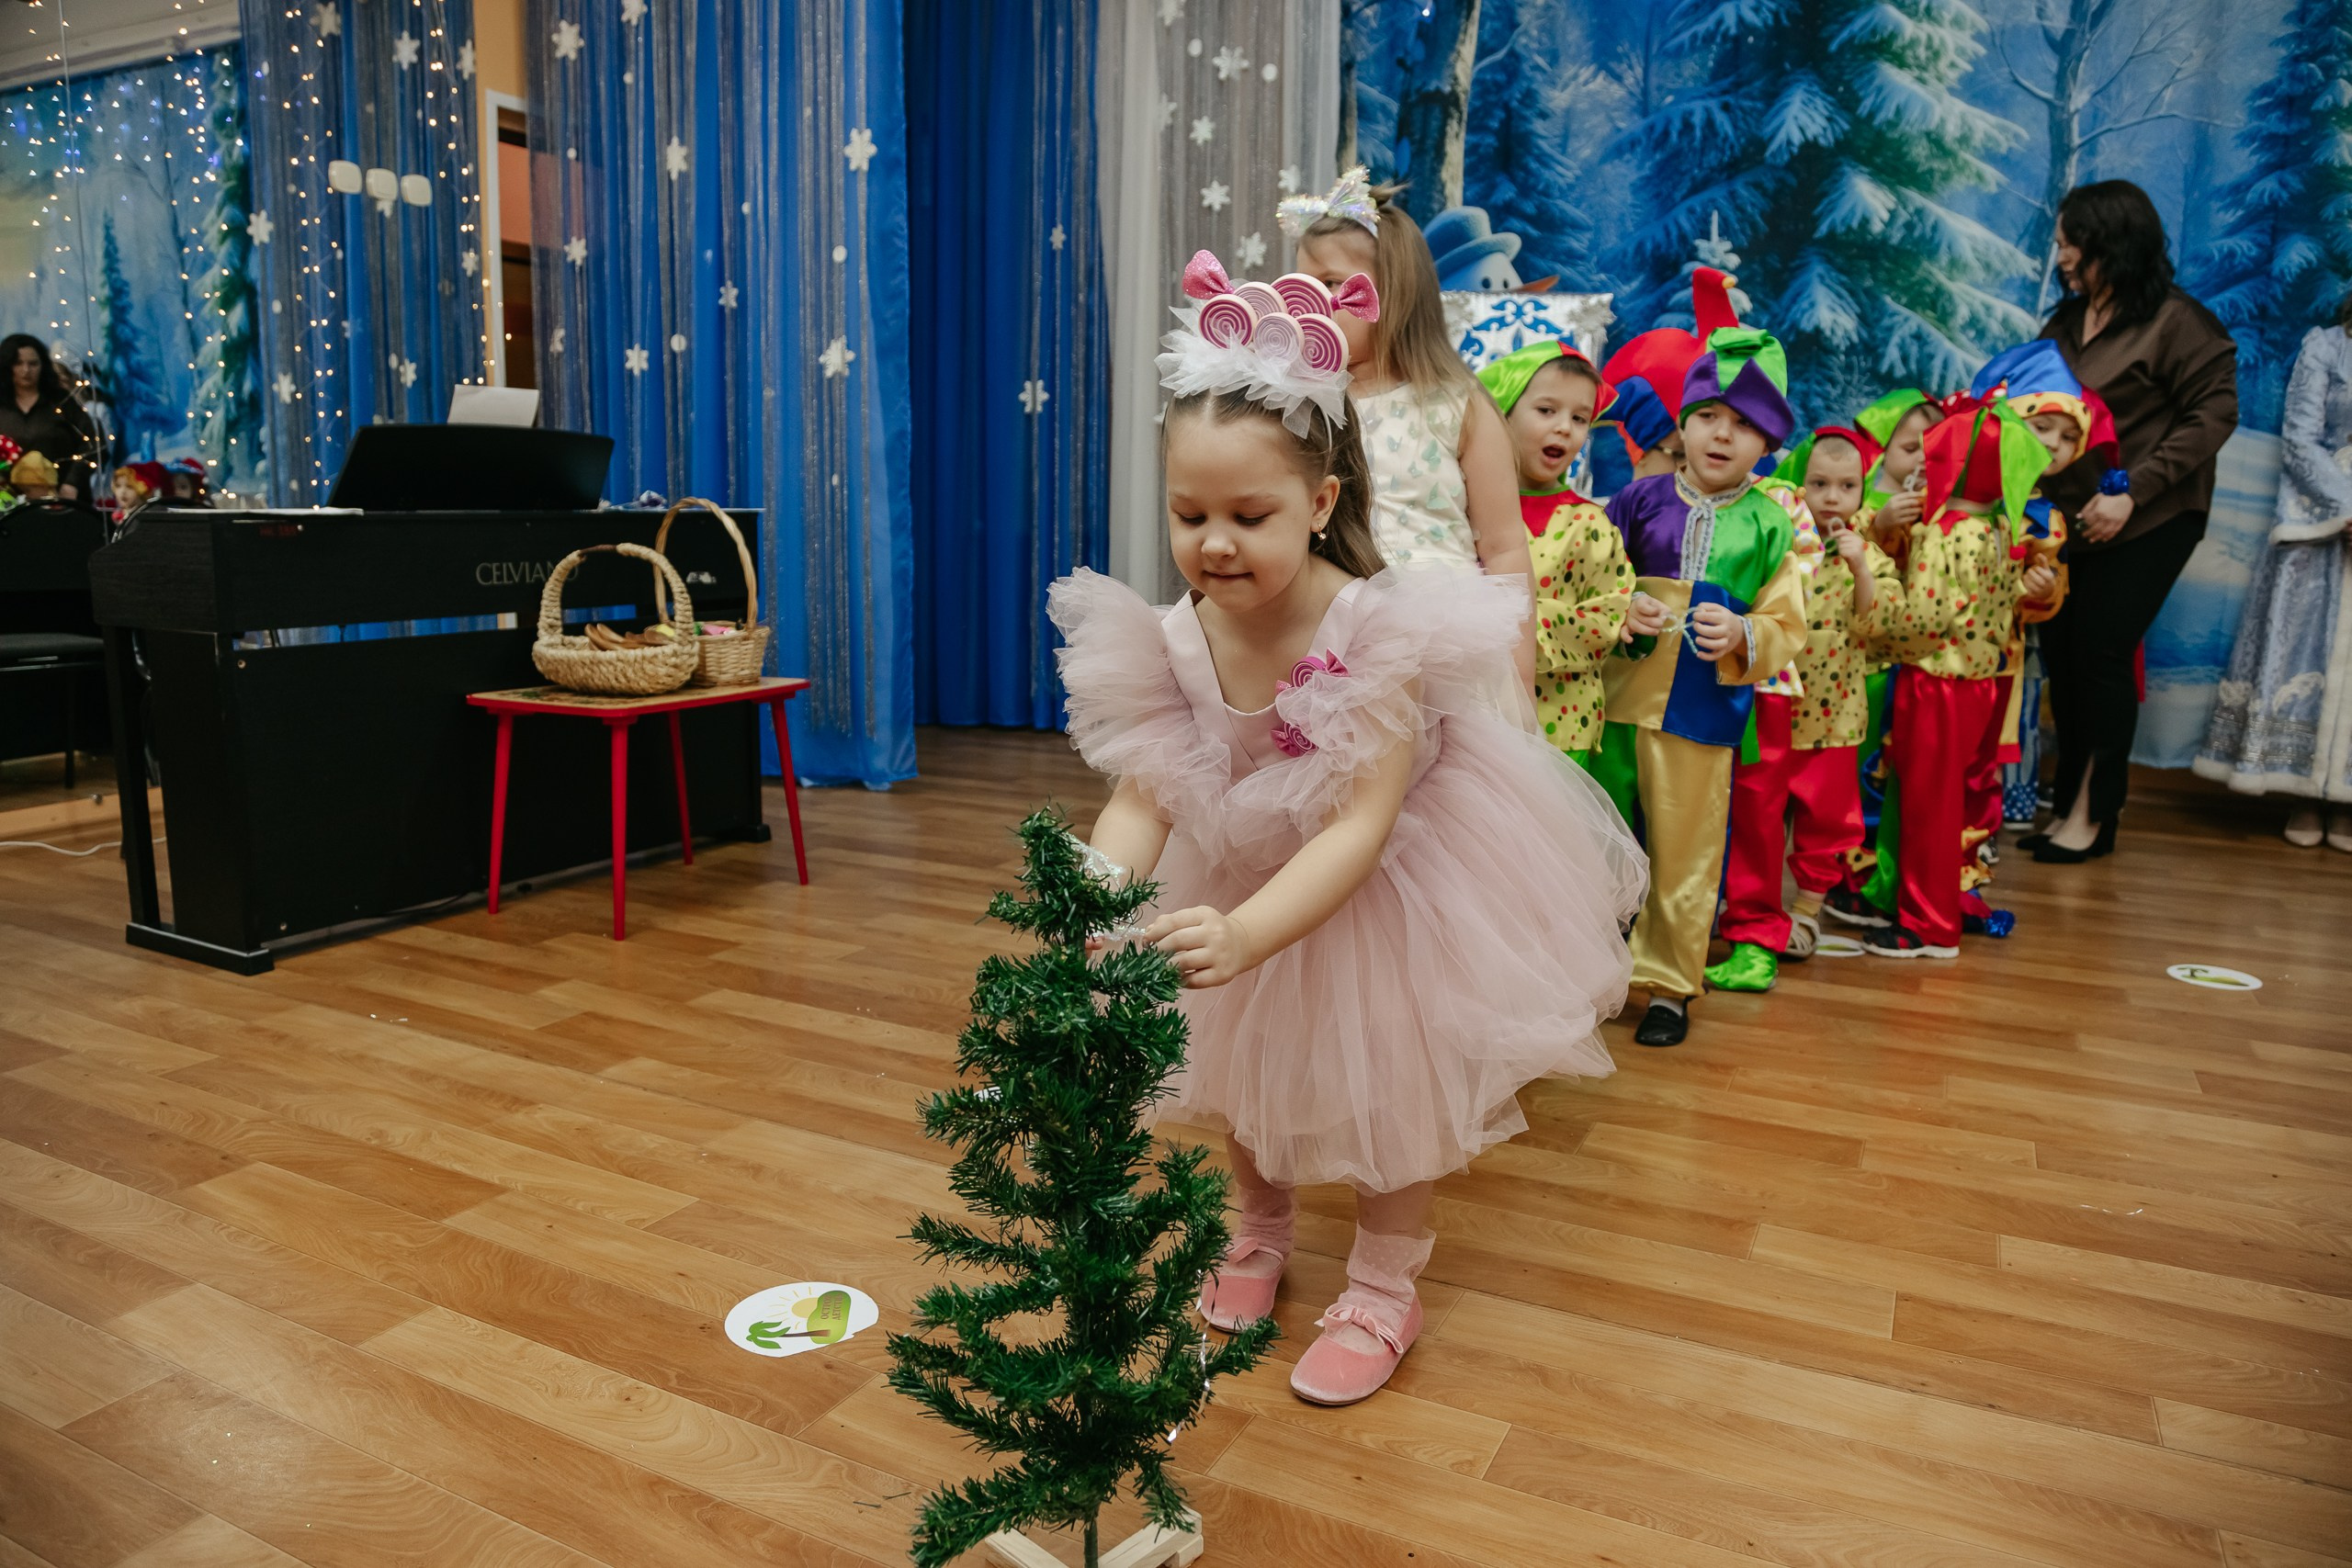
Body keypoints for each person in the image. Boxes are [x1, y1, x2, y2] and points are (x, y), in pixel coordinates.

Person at [1059, 251, 1645, 1406]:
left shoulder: (1372, 631)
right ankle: (1256, 1232)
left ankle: (1384, 1285)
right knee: (1241, 1065)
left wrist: (1246, 932)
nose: (1213, 543)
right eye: (1188, 515)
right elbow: (1144, 795)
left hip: (1383, 881)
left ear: (1322, 503)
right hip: (1241, 861)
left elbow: (1359, 827)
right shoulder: (1178, 634)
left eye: (1248, 515)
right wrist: (1088, 892)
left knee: (1391, 1086)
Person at [1599, 327, 1809, 1045]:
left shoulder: (1770, 523)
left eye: (1745, 424)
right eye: (1709, 415)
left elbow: (1788, 620)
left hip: (1702, 709)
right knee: (1602, 836)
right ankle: (1588, 972)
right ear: (1683, 423)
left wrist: (1747, 635)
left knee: (1687, 851)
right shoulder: (1637, 501)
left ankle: (1667, 984)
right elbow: (1591, 574)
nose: (1723, 434)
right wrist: (1622, 602)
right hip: (1618, 703)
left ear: (1770, 442)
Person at [2030, 181, 2239, 863]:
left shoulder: (2180, 323)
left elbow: (2214, 414)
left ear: (2109, 245)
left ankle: (2093, 812)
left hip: (2151, 516)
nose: (2059, 254)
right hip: (2071, 519)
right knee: (2063, 657)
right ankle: (2069, 804)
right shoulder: (2065, 322)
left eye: (2070, 243)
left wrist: (2133, 493)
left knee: (2099, 649)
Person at [1280, 169, 1537, 684]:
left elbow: (1506, 544)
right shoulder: (1301, 407)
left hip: (1444, 647)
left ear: (1393, 290)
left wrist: (1519, 680)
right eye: (1300, 286)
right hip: (1336, 636)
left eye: (1328, 284)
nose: (1308, 303)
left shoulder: (1455, 402)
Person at [1709, 426, 1901, 990]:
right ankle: (1749, 916)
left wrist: (1863, 566)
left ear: (1864, 492)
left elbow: (1880, 621)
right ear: (1799, 484)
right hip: (1769, 712)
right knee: (1756, 820)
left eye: (1847, 486)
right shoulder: (1779, 538)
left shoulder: (1865, 552)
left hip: (1834, 716)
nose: (1832, 497)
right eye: (1819, 483)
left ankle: (1808, 913)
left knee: (1826, 821)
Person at [1865, 399, 2054, 958]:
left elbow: (1925, 619)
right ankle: (1953, 900)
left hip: (1936, 684)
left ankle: (1927, 925)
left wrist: (1875, 620)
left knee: (1928, 805)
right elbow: (1997, 601)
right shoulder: (1996, 525)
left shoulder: (1944, 531)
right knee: (1961, 800)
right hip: (1985, 684)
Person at [2197, 299, 2352, 847]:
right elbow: (2301, 436)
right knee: (2307, 654)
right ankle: (2304, 792)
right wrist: (2346, 507)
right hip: (2323, 523)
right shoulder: (2327, 346)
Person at [1475, 340, 1633, 771]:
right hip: (1478, 720)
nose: (1565, 427)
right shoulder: (1465, 515)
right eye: (1547, 411)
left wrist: (1515, 624)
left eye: (1580, 418)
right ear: (1502, 415)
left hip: (1566, 727)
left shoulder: (1591, 524)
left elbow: (1608, 617)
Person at [0, 334, 100, 502]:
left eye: (33, 363)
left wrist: (72, 483)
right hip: (10, 506)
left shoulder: (62, 401)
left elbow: (95, 444)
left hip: (64, 502)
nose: (26, 370)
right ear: (6, 366)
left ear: (43, 365)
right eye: (18, 363)